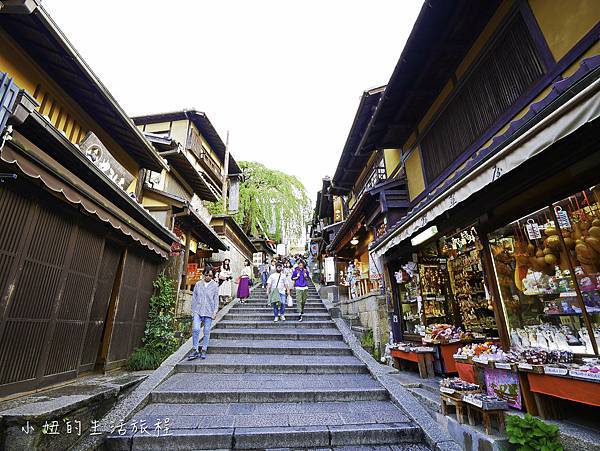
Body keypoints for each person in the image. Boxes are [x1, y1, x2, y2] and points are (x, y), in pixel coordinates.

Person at [188, 268, 219, 360]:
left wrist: (215, 312)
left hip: (209, 311)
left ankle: (204, 350)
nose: (208, 277)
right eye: (206, 275)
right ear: (203, 274)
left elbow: (216, 299)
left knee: (206, 331)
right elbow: (194, 298)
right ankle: (195, 349)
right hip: (198, 310)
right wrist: (192, 311)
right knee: (196, 329)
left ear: (212, 276)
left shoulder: (215, 285)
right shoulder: (198, 284)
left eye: (210, 275)